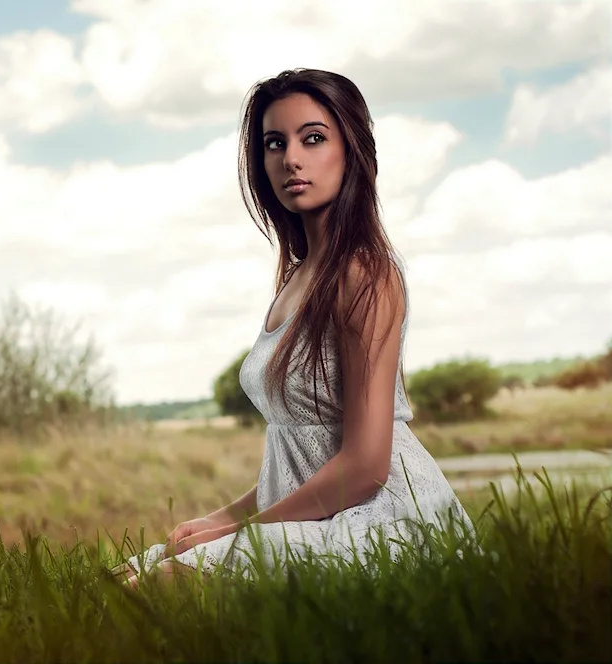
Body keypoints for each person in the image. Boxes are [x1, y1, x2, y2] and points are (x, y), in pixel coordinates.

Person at [112, 68, 473, 588]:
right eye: (274, 143)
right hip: (311, 516)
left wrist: (243, 533)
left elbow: (367, 466)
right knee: (126, 574)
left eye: (314, 138)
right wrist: (222, 519)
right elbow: (298, 454)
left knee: (159, 584)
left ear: (352, 151)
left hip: (380, 520)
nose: (291, 159)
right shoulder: (299, 277)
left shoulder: (363, 273)